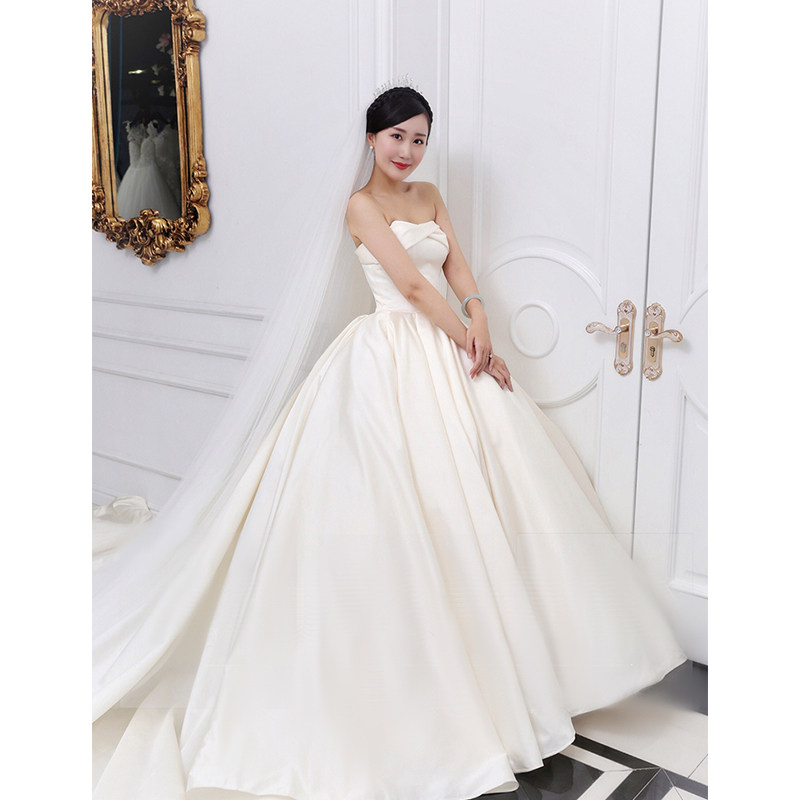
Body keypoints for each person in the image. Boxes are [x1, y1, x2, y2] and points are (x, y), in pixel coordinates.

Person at [92, 83, 686, 800]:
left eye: (419, 139)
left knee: (496, 486)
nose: (408, 151)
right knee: (401, 503)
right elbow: (410, 286)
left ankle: (533, 666)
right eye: (397, 137)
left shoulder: (430, 194)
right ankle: (425, 682)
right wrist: (466, 337)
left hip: (451, 343)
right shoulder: (360, 206)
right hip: (391, 353)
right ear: (372, 138)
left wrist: (480, 315)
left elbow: (453, 266)